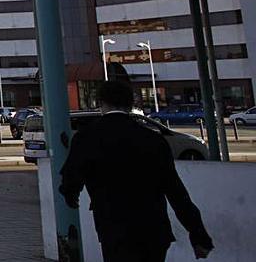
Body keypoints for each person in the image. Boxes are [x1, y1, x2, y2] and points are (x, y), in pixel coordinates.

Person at [59, 80, 213, 261]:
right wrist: (198, 233)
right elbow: (176, 191)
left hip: (113, 227)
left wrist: (71, 194)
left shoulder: (86, 138)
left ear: (100, 103)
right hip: (154, 228)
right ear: (130, 104)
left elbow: (71, 176)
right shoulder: (153, 139)